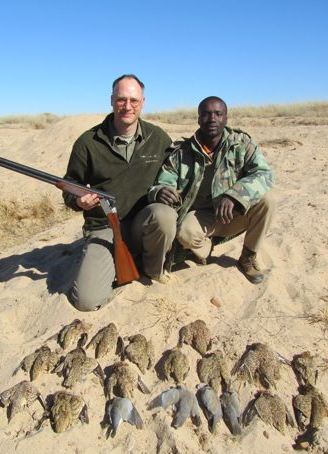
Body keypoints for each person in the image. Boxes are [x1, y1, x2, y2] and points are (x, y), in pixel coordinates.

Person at [62, 74, 173, 311]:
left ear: (143, 102)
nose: (128, 106)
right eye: (122, 99)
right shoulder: (87, 142)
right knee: (86, 301)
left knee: (164, 215)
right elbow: (70, 185)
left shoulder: (159, 138)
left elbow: (172, 176)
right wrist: (79, 201)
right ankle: (124, 266)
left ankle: (153, 269)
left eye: (134, 100)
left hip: (142, 225)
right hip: (103, 227)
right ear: (112, 101)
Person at [145, 96, 275, 283]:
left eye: (218, 114)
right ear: (198, 119)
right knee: (186, 233)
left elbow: (264, 174)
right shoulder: (182, 152)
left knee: (267, 201)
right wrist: (160, 191)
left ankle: (248, 257)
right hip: (200, 216)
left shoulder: (242, 144)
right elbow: (163, 181)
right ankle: (207, 247)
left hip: (232, 212)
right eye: (206, 114)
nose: (212, 119)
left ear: (226, 118)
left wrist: (235, 195)